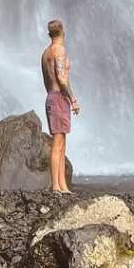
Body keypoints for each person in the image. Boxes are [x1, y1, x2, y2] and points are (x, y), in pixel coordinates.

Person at [41, 18, 79, 193]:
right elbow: (62, 78)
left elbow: (46, 80)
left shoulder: (45, 54)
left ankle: (63, 185)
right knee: (58, 143)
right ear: (63, 32)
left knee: (62, 142)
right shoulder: (60, 51)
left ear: (50, 34)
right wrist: (73, 99)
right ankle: (56, 186)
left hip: (51, 96)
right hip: (59, 98)